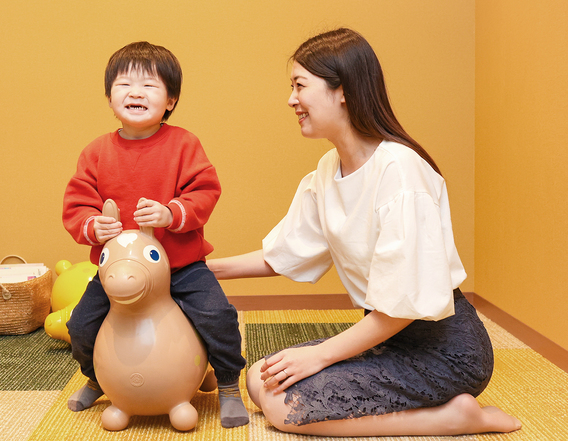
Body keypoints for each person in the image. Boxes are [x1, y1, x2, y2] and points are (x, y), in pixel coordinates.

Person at [207, 28, 522, 436]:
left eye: (300, 85)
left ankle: (456, 418)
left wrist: (320, 356)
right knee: (259, 378)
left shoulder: (400, 171)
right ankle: (442, 412)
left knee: (286, 411)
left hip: (444, 352)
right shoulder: (326, 171)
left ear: (342, 90)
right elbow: (283, 253)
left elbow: (402, 307)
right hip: (383, 338)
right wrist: (199, 269)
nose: (291, 100)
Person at [62, 41, 248, 429]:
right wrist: (94, 225)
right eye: (124, 84)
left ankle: (228, 382)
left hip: (181, 266)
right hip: (119, 275)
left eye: (149, 85)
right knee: (79, 324)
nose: (135, 92)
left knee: (217, 314)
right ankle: (98, 377)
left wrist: (171, 212)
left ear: (171, 100)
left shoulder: (184, 144)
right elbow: (77, 205)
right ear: (109, 96)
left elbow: (205, 191)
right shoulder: (95, 153)